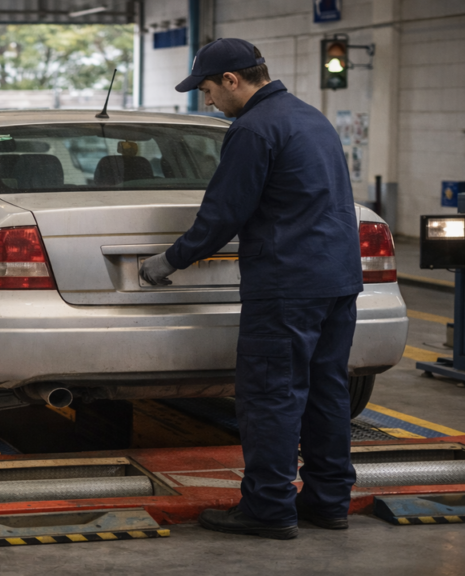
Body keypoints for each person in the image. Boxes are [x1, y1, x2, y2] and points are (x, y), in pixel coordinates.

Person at [138, 38, 363, 540]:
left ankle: (268, 508)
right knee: (326, 391)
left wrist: (170, 260)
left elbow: (223, 213)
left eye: (209, 89)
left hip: (286, 284)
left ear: (233, 81)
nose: (208, 101)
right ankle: (329, 502)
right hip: (337, 279)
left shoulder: (253, 129)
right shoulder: (310, 117)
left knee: (271, 396)